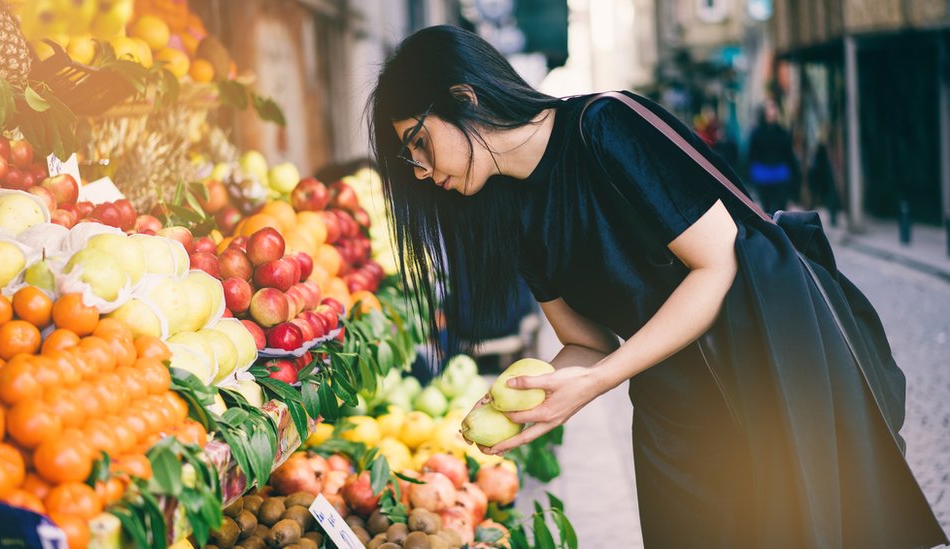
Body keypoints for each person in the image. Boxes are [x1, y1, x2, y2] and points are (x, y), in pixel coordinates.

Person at [368, 25, 946, 548]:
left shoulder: (604, 126)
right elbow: (588, 342)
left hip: (767, 376)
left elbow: (717, 265)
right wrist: (539, 403)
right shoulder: (513, 216)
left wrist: (596, 381)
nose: (420, 171)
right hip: (674, 417)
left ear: (463, 99)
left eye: (418, 143)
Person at [747, 99, 798, 214]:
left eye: (774, 109)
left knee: (780, 207)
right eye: (770, 109)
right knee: (767, 207)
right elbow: (752, 155)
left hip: (779, 174)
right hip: (763, 175)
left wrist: (794, 176)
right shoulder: (757, 133)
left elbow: (788, 154)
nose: (772, 112)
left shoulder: (782, 133)